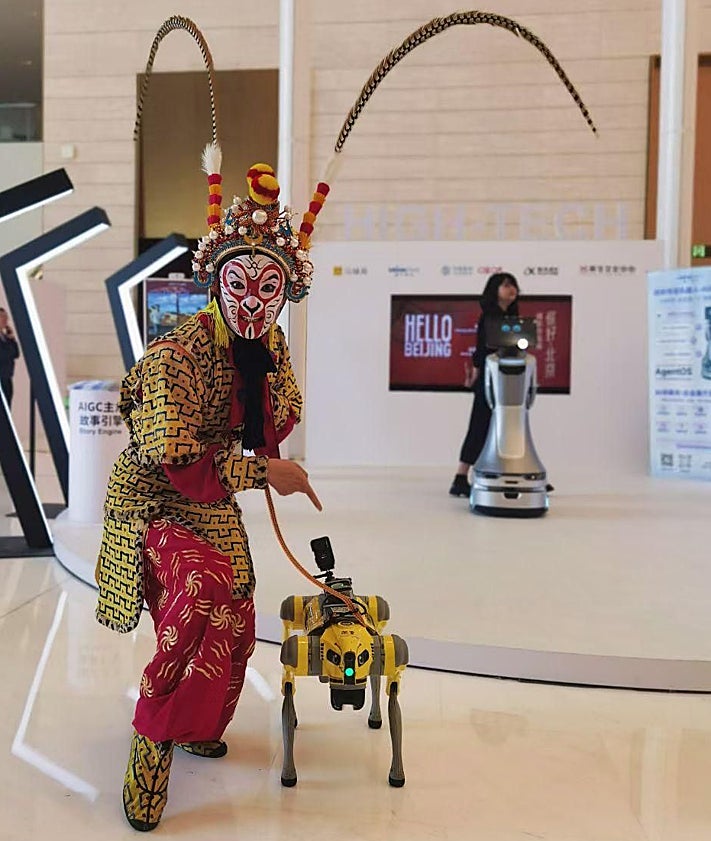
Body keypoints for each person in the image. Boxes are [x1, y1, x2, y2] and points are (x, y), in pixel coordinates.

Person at [94, 17, 332, 833]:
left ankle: (195, 724)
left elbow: (278, 424)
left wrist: (268, 392)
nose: (255, 299)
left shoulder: (266, 346)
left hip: (212, 497)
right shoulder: (173, 357)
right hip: (154, 500)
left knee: (238, 609)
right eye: (243, 282)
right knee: (196, 594)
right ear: (218, 282)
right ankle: (148, 748)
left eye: (270, 287)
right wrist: (268, 472)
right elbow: (177, 463)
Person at [449, 272, 520, 497]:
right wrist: (476, 375)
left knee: (508, 427)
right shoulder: (490, 316)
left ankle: (514, 473)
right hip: (490, 380)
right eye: (506, 285)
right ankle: (460, 477)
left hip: (509, 378)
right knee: (479, 425)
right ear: (494, 290)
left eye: (514, 285)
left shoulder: (512, 317)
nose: (512, 289)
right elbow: (482, 351)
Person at [0, 307, 20, 408]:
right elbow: (3, 355)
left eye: (6, 317)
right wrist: (10, 350)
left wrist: (12, 338)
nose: (5, 320)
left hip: (7, 377)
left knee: (7, 407)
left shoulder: (5, 337)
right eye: (2, 317)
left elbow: (16, 353)